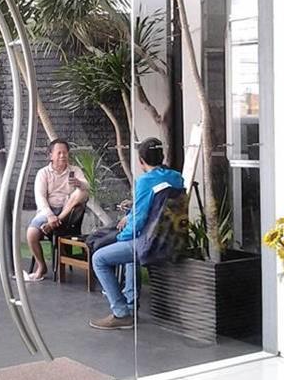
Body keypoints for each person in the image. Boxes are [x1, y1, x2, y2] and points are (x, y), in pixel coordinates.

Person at [89, 137, 184, 330]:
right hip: (170, 238)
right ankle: (131, 307)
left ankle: (120, 312)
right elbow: (158, 204)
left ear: (141, 161)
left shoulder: (144, 181)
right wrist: (134, 209)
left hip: (149, 241)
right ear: (161, 156)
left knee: (99, 258)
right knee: (129, 256)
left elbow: (138, 222)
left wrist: (120, 237)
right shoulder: (176, 177)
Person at [26, 138, 89, 281]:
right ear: (51, 155)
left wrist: (79, 183)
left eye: (65, 152)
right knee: (31, 234)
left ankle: (55, 222)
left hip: (68, 213)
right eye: (59, 153)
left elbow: (87, 187)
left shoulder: (75, 170)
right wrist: (49, 216)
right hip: (48, 211)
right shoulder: (43, 173)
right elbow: (40, 197)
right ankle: (41, 266)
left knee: (82, 192)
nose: (62, 156)